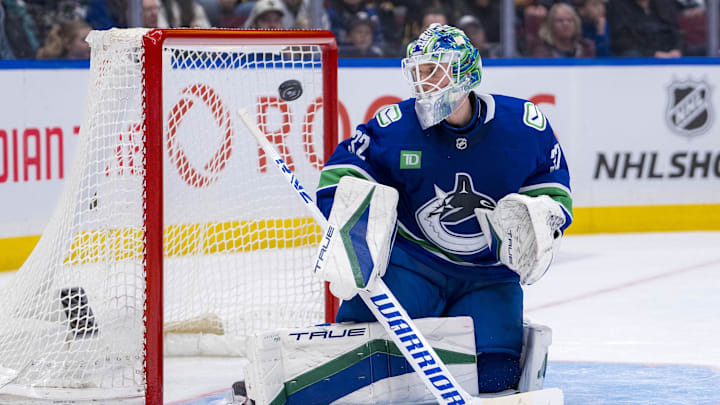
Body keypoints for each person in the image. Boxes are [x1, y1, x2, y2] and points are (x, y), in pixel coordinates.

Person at [315, 23, 573, 394]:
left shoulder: (523, 126)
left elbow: (552, 184)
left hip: (489, 274)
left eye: (434, 69)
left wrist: (545, 217)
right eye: (419, 71)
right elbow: (344, 171)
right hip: (412, 264)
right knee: (356, 352)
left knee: (496, 377)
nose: (424, 81)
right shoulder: (396, 126)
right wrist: (352, 225)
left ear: (466, 72)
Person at [607, 0, 684, 57]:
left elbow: (676, 32)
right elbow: (620, 41)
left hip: (668, 50)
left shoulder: (664, 4)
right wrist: (653, 54)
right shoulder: (617, 6)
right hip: (641, 53)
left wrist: (677, 49)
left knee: (694, 51)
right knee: (632, 55)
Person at [528, 2, 595, 57]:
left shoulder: (586, 48)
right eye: (560, 20)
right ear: (551, 25)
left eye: (570, 20)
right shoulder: (542, 49)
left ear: (576, 24)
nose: (565, 24)